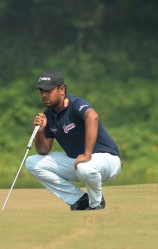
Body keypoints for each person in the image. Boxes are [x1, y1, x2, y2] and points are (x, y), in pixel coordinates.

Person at [25, 70, 122, 210]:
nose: (44, 95)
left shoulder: (75, 104)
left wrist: (87, 154)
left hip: (107, 159)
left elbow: (92, 116)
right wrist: (40, 131)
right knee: (32, 163)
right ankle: (79, 199)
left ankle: (96, 204)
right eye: (41, 91)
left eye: (48, 90)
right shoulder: (49, 115)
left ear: (62, 89)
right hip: (80, 163)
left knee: (85, 166)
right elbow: (43, 150)